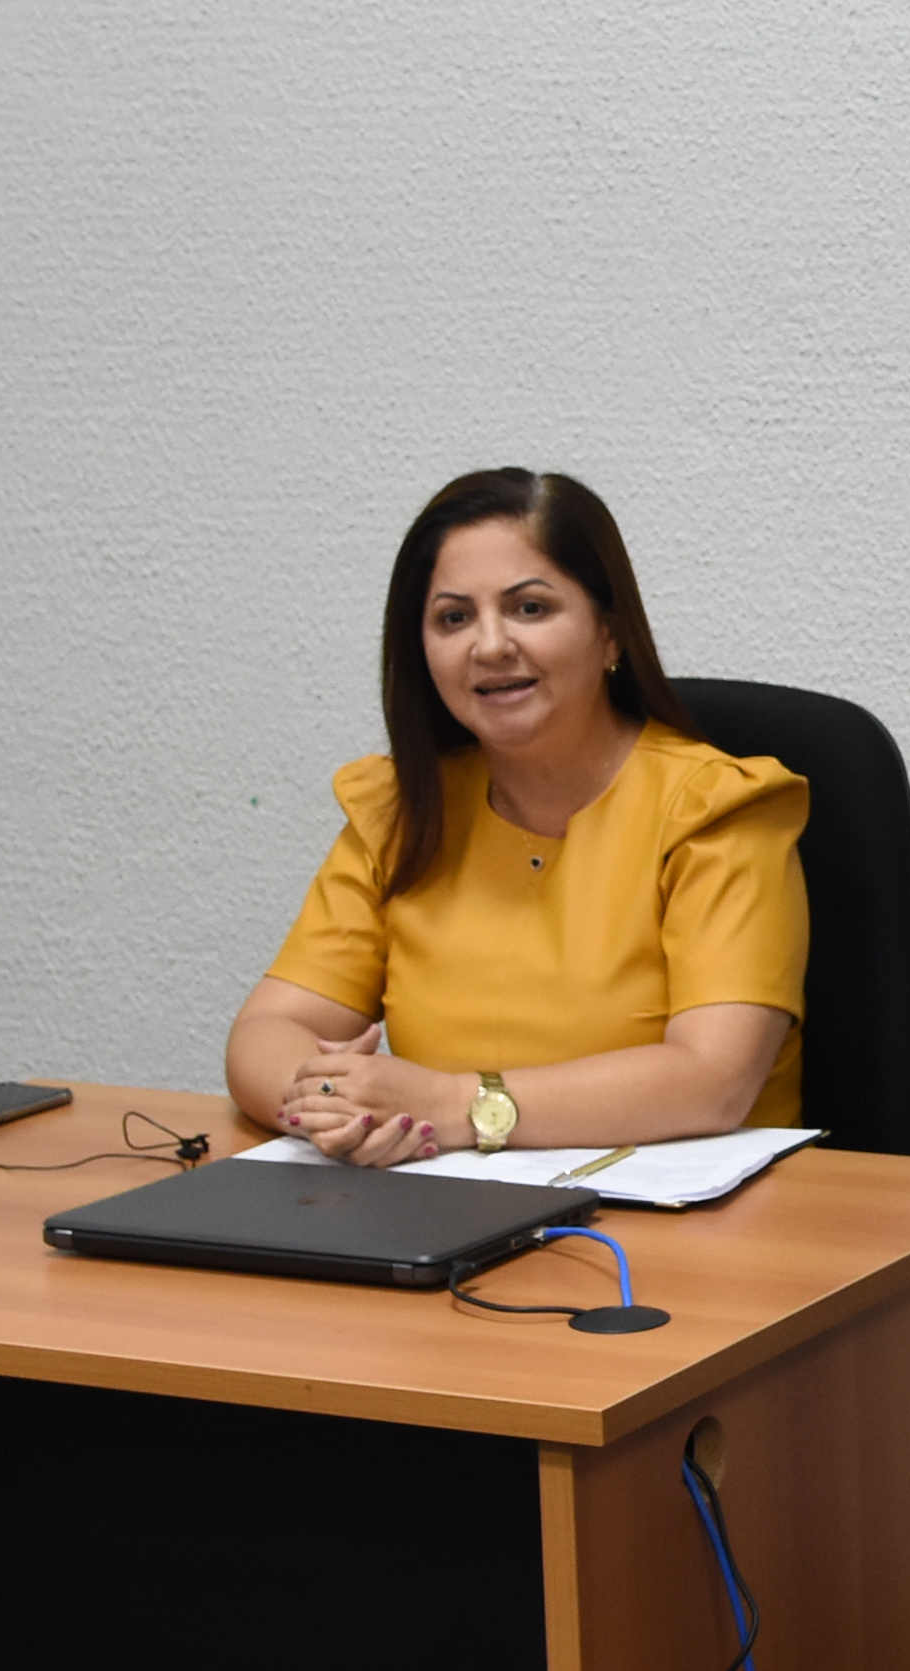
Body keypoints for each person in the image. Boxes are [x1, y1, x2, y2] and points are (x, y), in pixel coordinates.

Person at [228, 468, 809, 1162]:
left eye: (530, 608)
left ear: (611, 633)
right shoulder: (400, 813)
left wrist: (454, 1105)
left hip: (690, 1216)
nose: (490, 645)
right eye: (453, 618)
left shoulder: (714, 811)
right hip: (444, 1205)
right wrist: (335, 1105)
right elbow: (265, 1031)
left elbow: (714, 1081)